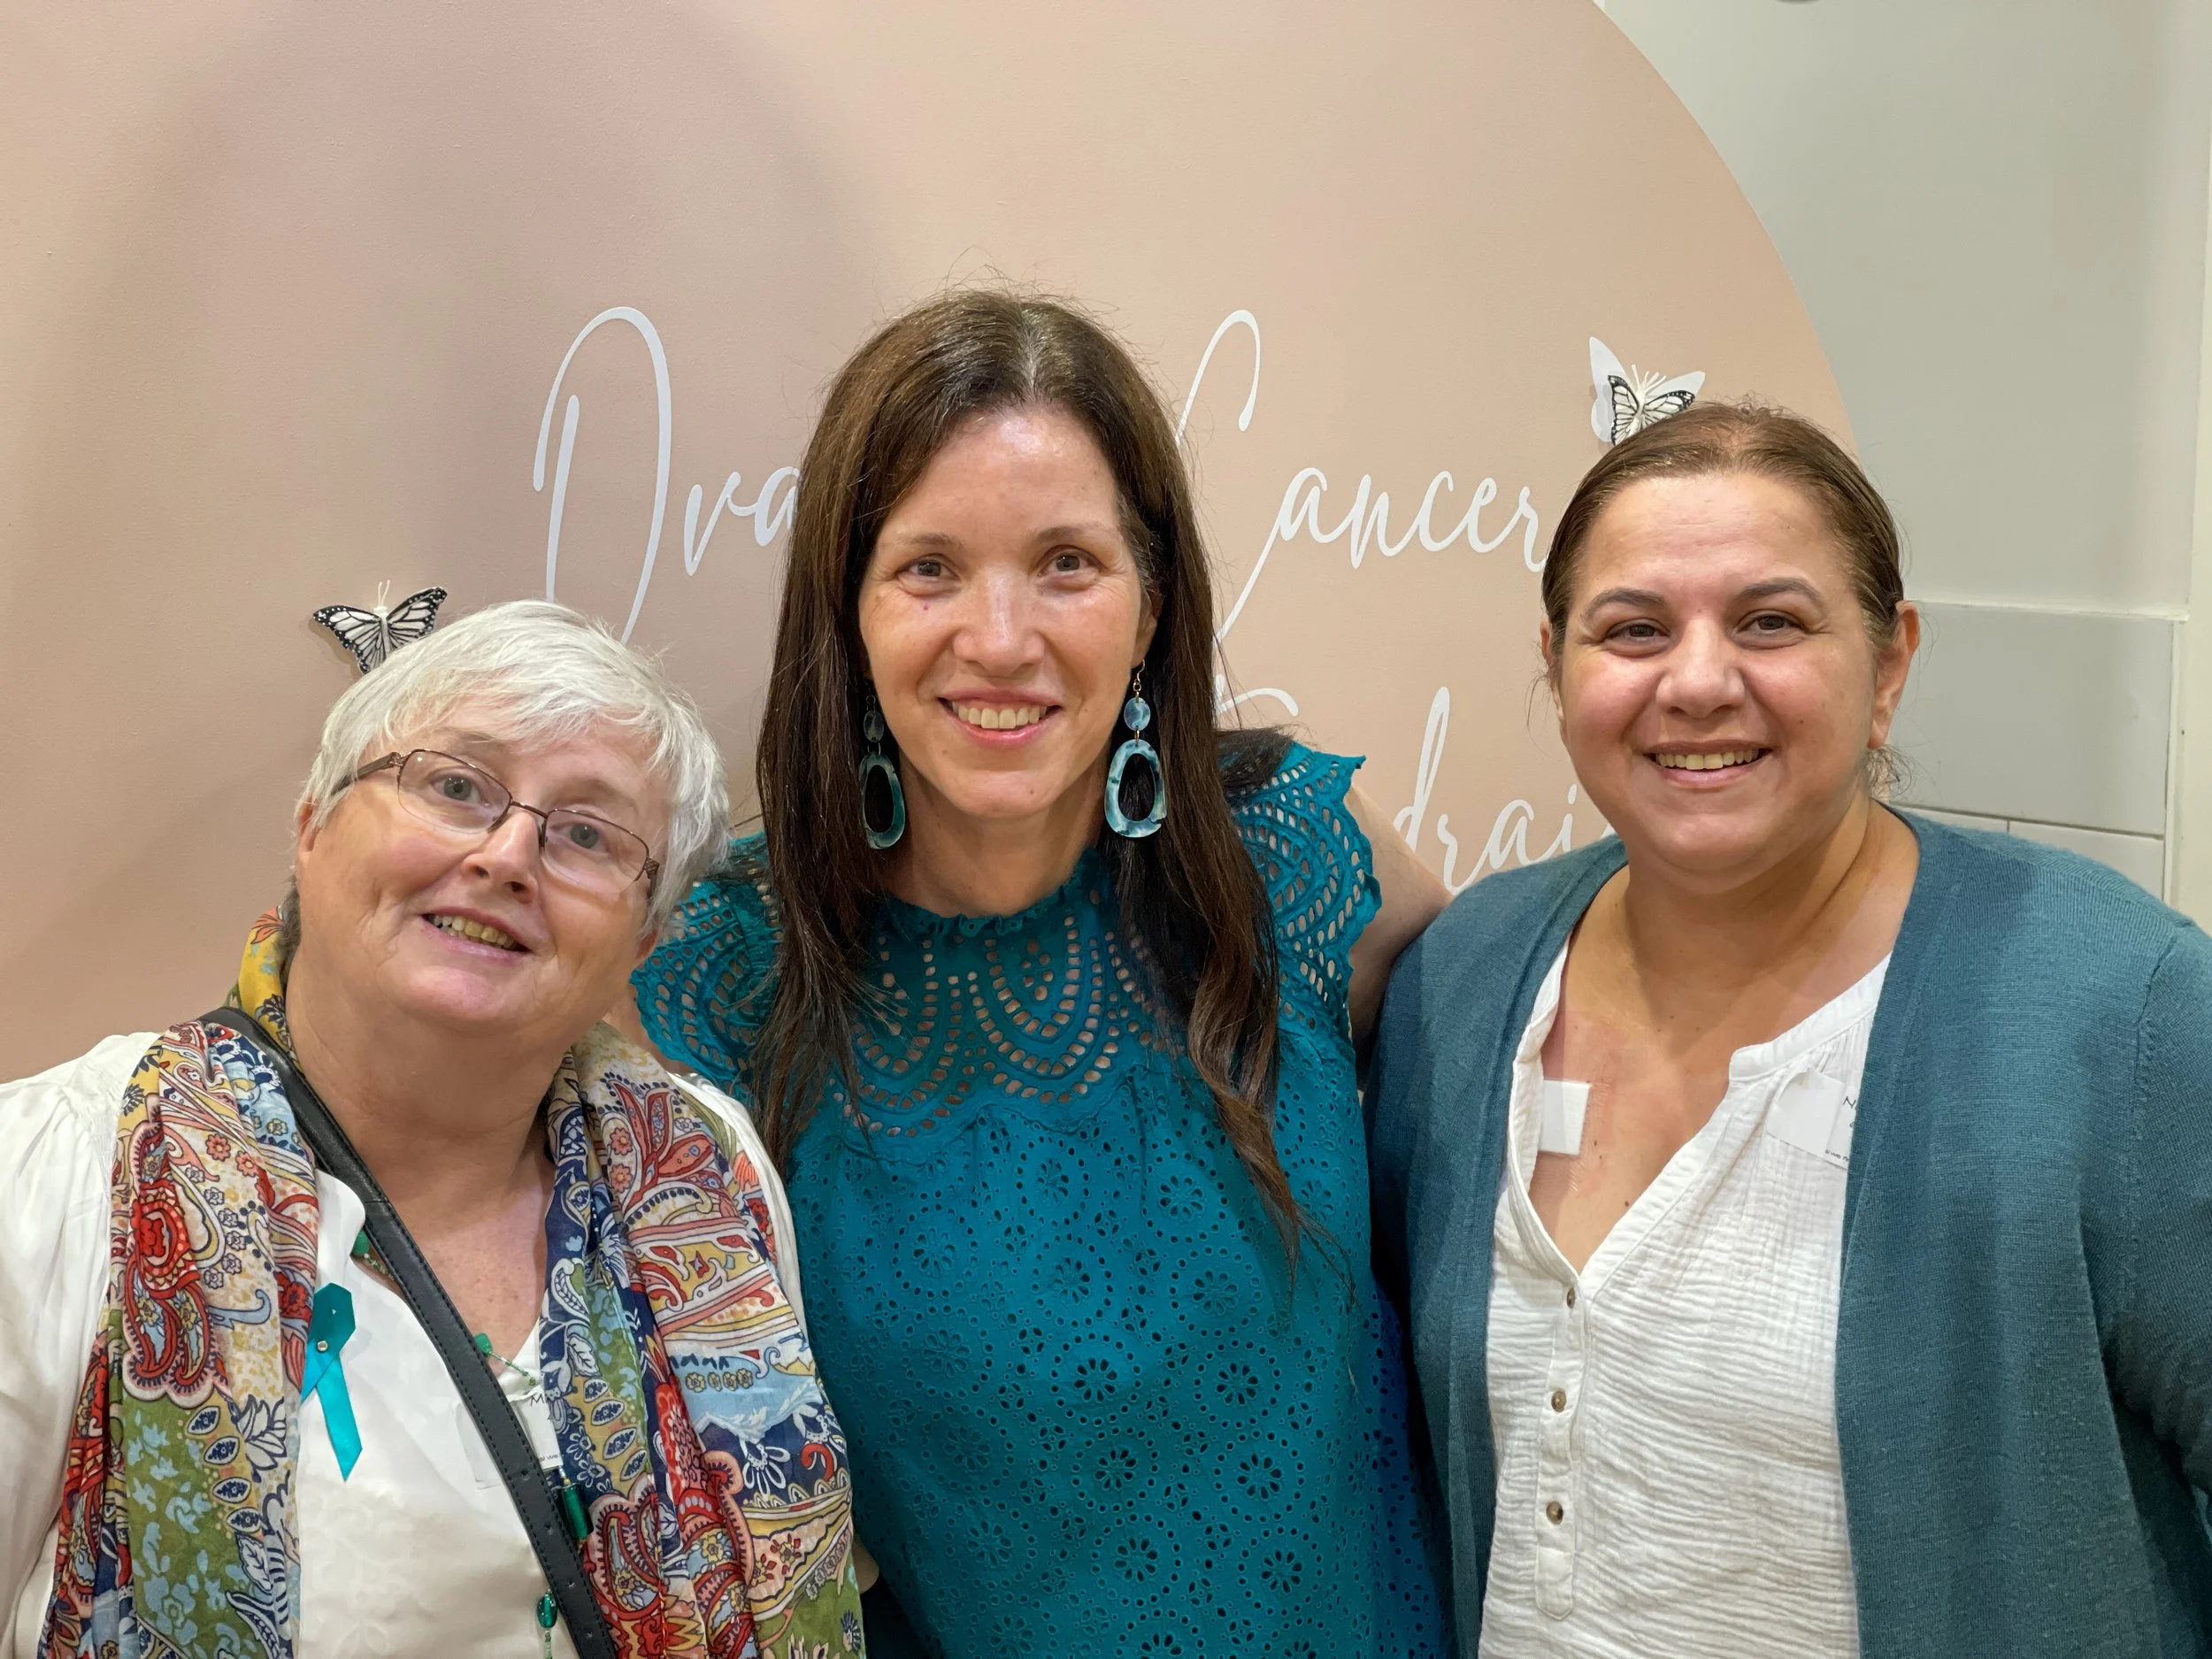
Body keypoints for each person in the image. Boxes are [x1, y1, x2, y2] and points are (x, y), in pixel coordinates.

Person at [631, 289, 1454, 1657]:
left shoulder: (1299, 865)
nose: (1001, 638)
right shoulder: (731, 969)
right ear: (848, 613)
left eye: (1067, 563)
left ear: (1150, 607)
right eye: (929, 568)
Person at [1368, 400, 2212, 1657]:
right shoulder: (1464, 981)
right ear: (1557, 666)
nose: (1699, 679)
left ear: (1889, 663)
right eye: (1633, 628)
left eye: (1771, 621)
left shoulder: (2118, 1014)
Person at [0, 601, 864, 1659]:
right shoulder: (61, 1180)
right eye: (456, 786)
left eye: (587, 834)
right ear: (312, 824)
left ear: (641, 939)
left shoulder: (708, 1169)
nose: (508, 856)